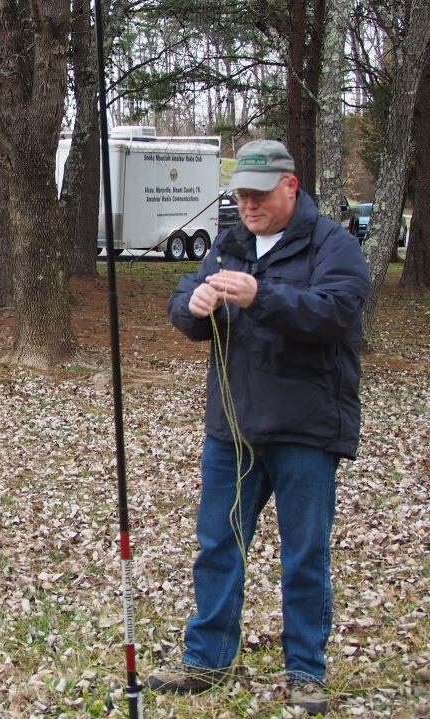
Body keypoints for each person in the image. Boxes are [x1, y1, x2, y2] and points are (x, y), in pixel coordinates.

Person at [150, 140, 371, 715]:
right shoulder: (228, 245)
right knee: (218, 545)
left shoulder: (334, 245)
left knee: (304, 553)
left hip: (305, 428)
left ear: (291, 186)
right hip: (233, 428)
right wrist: (192, 307)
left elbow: (337, 313)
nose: (247, 204)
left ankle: (305, 671)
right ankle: (208, 659)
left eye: (258, 193)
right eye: (240, 194)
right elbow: (182, 307)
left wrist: (262, 295)